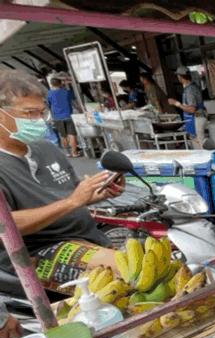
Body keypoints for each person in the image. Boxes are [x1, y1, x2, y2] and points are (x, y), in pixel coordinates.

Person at [0, 69, 125, 298]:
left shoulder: (46, 148)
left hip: (85, 238)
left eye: (41, 113)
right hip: (38, 252)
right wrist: (72, 202)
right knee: (131, 273)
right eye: (29, 113)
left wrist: (96, 194)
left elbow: (72, 195)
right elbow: (4, 226)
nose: (38, 120)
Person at [168, 66, 206, 148]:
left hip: (196, 119)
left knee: (200, 147)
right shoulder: (191, 87)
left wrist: (176, 104)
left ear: (180, 77)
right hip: (197, 118)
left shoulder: (190, 90)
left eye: (178, 76)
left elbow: (192, 109)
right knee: (198, 145)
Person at [46, 77, 80, 157]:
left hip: (57, 117)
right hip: (68, 116)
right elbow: (73, 101)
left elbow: (48, 105)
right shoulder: (67, 92)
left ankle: (68, 153)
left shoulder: (49, 93)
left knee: (63, 135)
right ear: (61, 83)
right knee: (72, 134)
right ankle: (74, 153)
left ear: (51, 84)